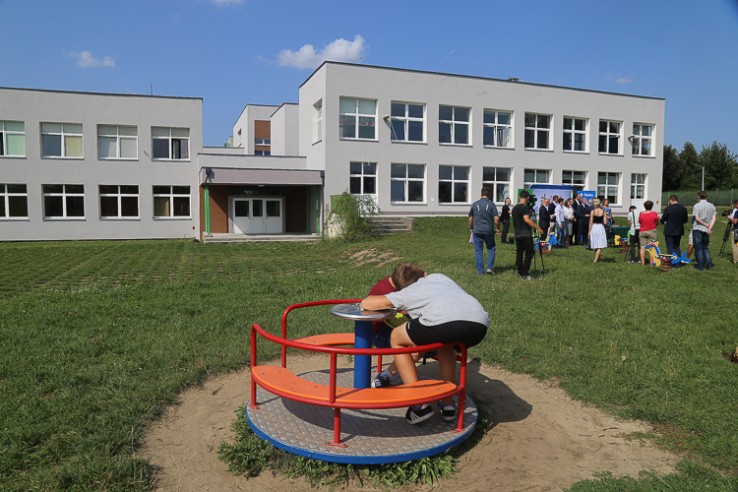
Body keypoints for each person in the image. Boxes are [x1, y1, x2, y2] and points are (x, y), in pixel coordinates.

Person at [360, 265, 489, 425]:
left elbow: (368, 303)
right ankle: (448, 404)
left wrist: (395, 299)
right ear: (426, 274)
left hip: (444, 323)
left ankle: (419, 405)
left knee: (397, 337)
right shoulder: (440, 277)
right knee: (445, 344)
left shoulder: (409, 292)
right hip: (479, 324)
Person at [368, 264, 424, 388]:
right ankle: (387, 376)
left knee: (421, 342)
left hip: (390, 326)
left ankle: (390, 375)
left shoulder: (395, 282)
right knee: (416, 348)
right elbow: (400, 311)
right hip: (380, 333)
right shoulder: (386, 292)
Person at [512, 191, 544, 280]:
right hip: (525, 233)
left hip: (517, 233)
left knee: (519, 253)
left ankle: (520, 271)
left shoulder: (515, 208)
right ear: (527, 198)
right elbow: (526, 219)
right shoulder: (525, 207)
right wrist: (537, 227)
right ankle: (525, 273)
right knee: (529, 253)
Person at [468, 187, 500, 275]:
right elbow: (497, 219)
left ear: (481, 194)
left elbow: (470, 219)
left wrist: (471, 228)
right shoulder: (491, 204)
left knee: (478, 251)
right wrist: (497, 228)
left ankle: (480, 271)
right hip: (489, 231)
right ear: (489, 194)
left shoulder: (474, 204)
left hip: (477, 230)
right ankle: (489, 267)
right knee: (491, 248)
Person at [692, 191, 717, 270]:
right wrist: (709, 228)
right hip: (706, 230)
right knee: (705, 247)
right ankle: (709, 265)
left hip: (698, 228)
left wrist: (705, 224)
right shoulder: (712, 205)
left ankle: (700, 266)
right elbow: (714, 218)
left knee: (698, 248)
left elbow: (697, 219)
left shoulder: (697, 205)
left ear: (699, 197)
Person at [638, 200, 659, 266]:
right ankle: (651, 263)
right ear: (652, 206)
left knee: (642, 247)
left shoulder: (641, 213)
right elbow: (657, 221)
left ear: (644, 206)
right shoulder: (654, 213)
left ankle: (642, 263)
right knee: (651, 248)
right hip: (652, 231)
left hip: (642, 231)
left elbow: (640, 221)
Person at [588, 199, 608, 263]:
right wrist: (606, 217)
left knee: (596, 243)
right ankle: (597, 260)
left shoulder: (592, 211)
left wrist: (589, 231)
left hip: (594, 227)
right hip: (600, 227)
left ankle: (596, 260)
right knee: (599, 244)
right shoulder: (603, 211)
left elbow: (590, 222)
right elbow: (605, 222)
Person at [730, 199, 738, 264]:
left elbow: (735, 222)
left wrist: (730, 218)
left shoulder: (737, 212)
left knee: (735, 245)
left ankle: (735, 259)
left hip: (736, 230)